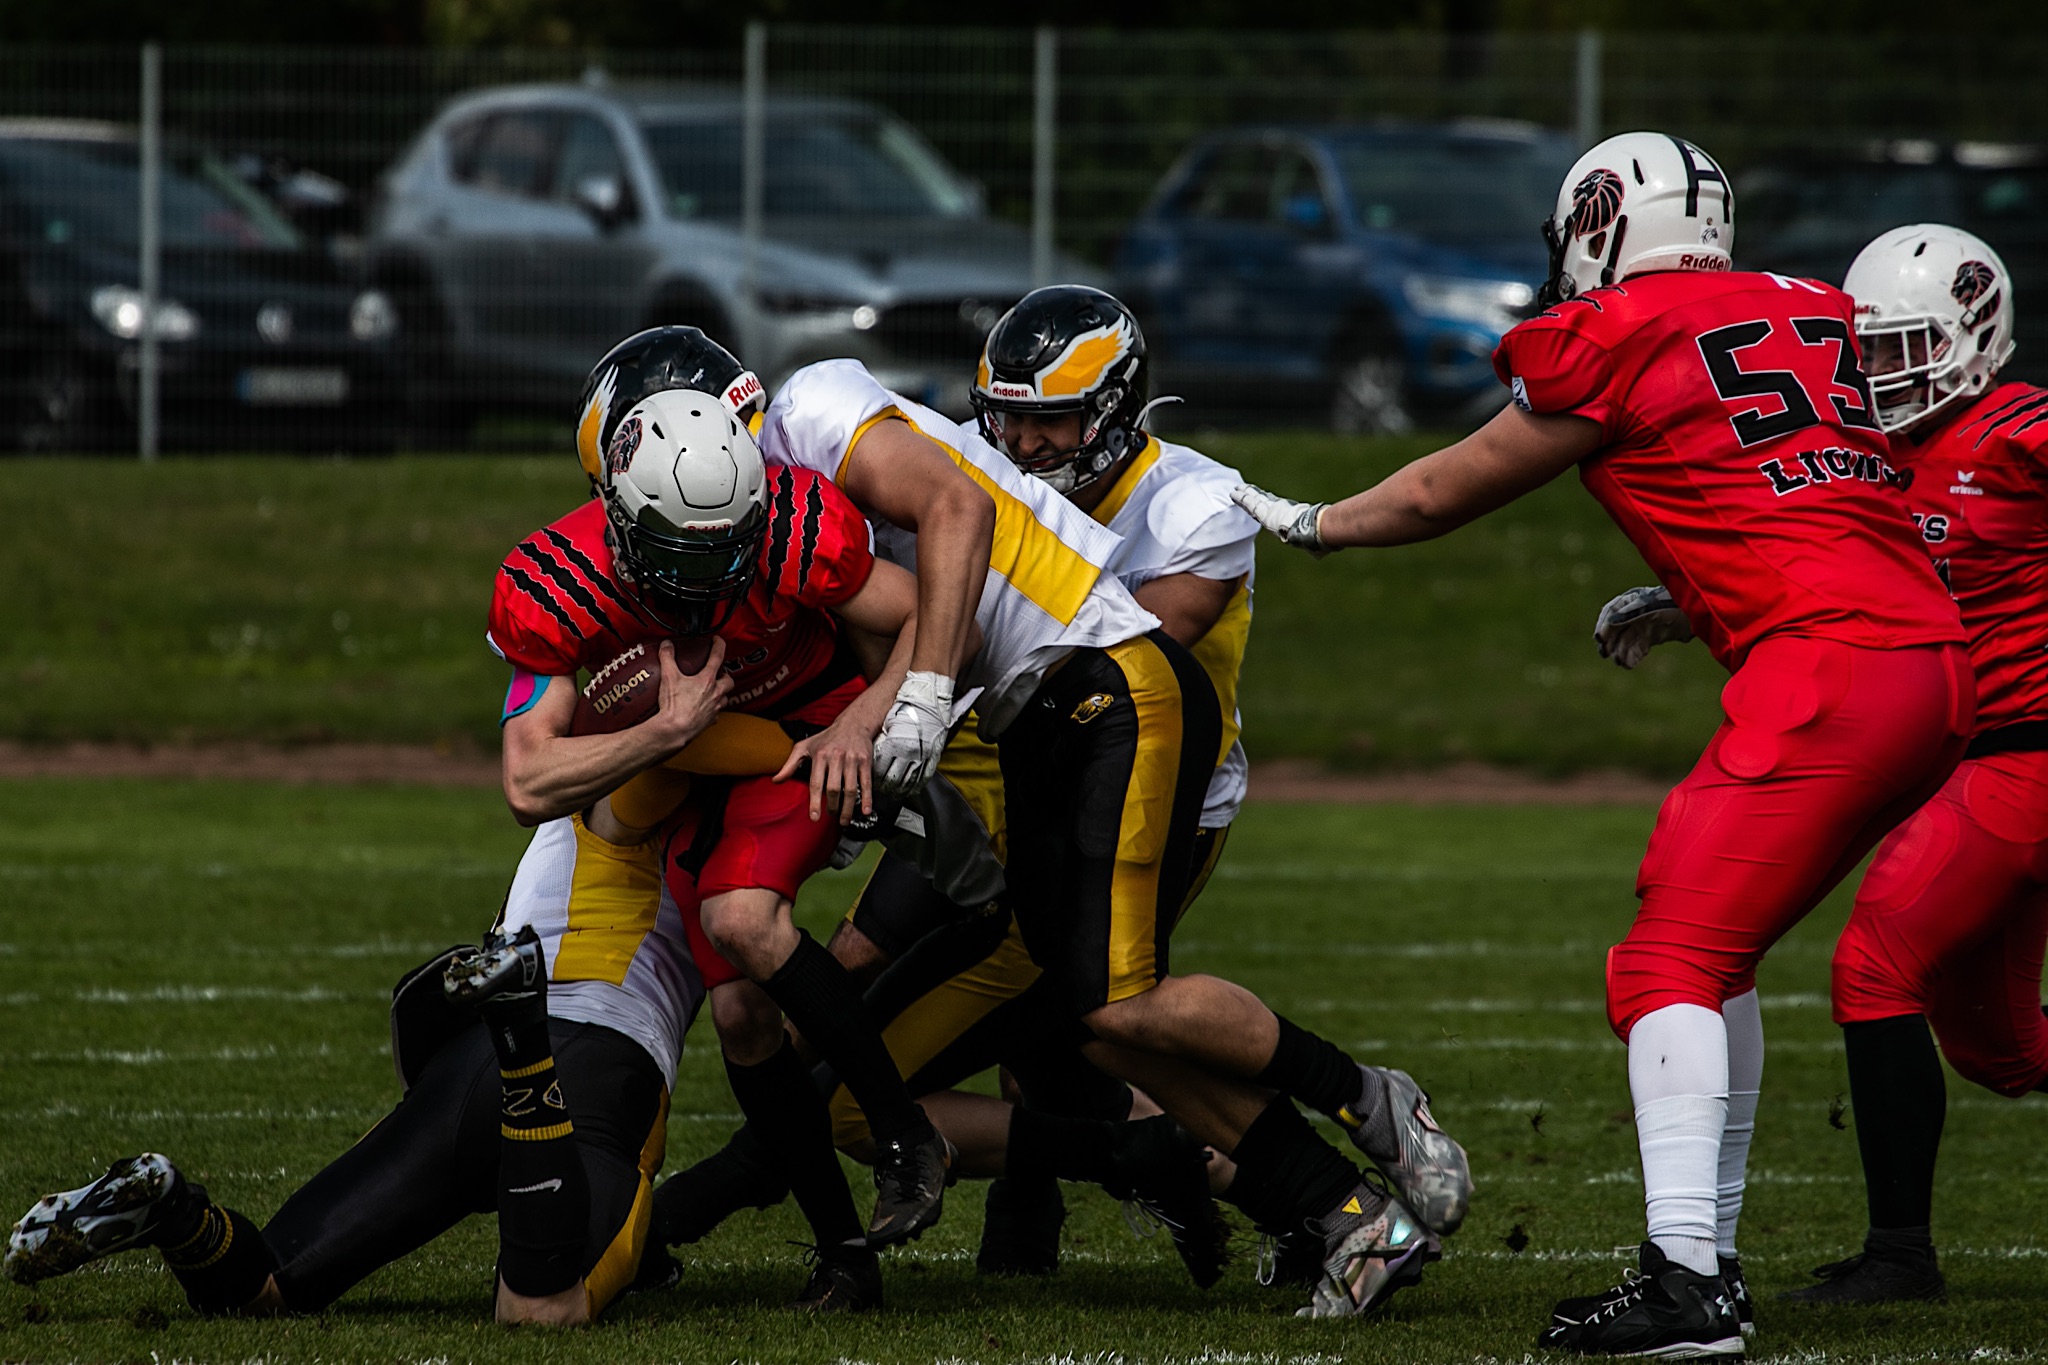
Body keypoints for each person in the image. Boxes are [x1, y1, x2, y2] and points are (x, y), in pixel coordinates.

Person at [1235, 133, 1970, 1357]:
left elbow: (1440, 489)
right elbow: (1814, 490)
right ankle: (1707, 1264)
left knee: (1664, 961)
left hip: (1829, 668)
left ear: (1595, 221)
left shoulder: (1617, 331)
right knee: (1714, 954)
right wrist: (1692, 605)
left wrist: (1314, 522)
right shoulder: (1807, 308)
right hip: (1925, 658)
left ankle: (1685, 1286)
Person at [749, 305, 1469, 1317]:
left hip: (1120, 716)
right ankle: (1348, 1216)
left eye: (1057, 419)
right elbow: (919, 622)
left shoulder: (829, 410)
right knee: (1102, 1029)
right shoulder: (802, 502)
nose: (1029, 441)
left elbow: (998, 552)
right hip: (1045, 730)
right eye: (1011, 416)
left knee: (1114, 1004)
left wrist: (911, 703)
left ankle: (1363, 1095)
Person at [1606, 225, 2048, 1306]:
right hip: (1952, 755)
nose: (1882, 374)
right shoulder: (1858, 451)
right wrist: (1679, 609)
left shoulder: (2020, 427)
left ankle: (1899, 1255)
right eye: (1870, 353)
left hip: (2023, 752)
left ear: (1974, 335)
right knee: (2001, 1050)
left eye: (1906, 348)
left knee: (1871, 967)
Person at [493, 327, 948, 1299]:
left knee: (739, 919)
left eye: (722, 552)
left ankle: (906, 1132)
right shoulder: (555, 579)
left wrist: (865, 727)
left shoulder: (793, 520)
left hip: (797, 725)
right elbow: (529, 784)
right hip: (693, 761)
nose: (701, 586)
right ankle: (843, 1250)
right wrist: (664, 730)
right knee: (741, 1017)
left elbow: (932, 614)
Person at [5, 800, 717, 1325]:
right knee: (542, 1309)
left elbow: (541, 765)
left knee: (268, 1289)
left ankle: (176, 1212)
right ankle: (524, 1039)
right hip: (598, 1059)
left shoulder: (581, 730)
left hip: (469, 1060)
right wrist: (815, 727)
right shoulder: (678, 746)